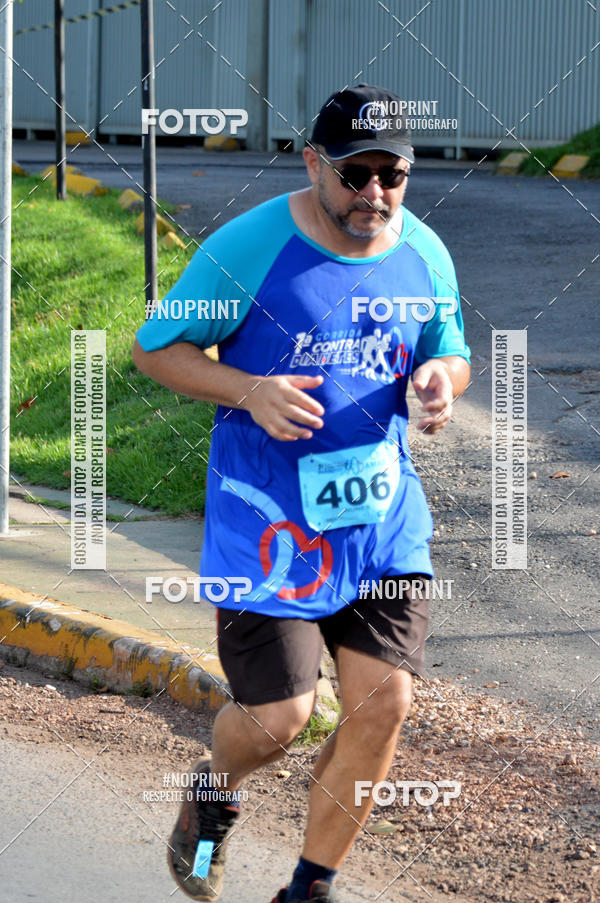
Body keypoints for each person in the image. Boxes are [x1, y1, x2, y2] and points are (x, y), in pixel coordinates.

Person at [132, 84, 471, 903]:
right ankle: (211, 798)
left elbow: (450, 350)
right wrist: (247, 389)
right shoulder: (250, 248)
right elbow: (156, 349)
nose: (376, 195)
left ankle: (309, 887)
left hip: (382, 524)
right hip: (269, 528)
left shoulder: (421, 250)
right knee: (277, 722)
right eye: (357, 174)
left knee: (383, 703)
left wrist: (439, 382)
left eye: (394, 175)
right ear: (314, 162)